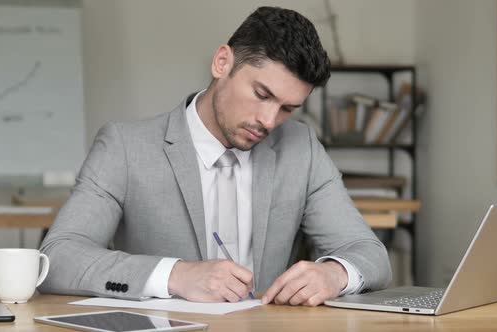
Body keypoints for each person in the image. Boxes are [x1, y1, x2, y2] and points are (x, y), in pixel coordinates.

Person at [38, 6, 391, 307]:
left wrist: (334, 274)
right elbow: (58, 258)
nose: (269, 121)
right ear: (222, 62)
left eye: (288, 108)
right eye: (261, 94)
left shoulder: (301, 148)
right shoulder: (126, 147)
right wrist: (175, 275)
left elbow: (369, 253)